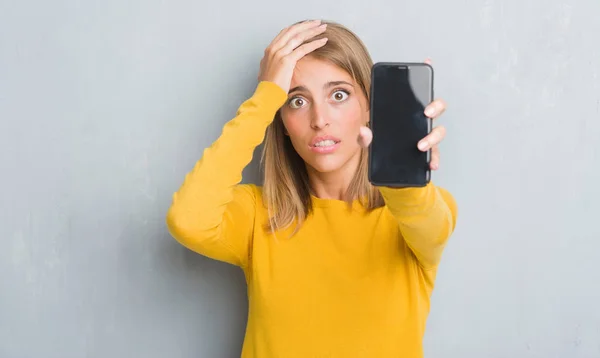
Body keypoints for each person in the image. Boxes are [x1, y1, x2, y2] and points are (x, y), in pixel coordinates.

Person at [166, 19, 458, 358]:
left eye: (338, 95)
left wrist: (403, 174)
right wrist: (265, 98)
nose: (319, 119)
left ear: (369, 106)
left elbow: (425, 219)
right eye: (297, 101)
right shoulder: (258, 214)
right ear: (282, 122)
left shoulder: (417, 213)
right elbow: (188, 220)